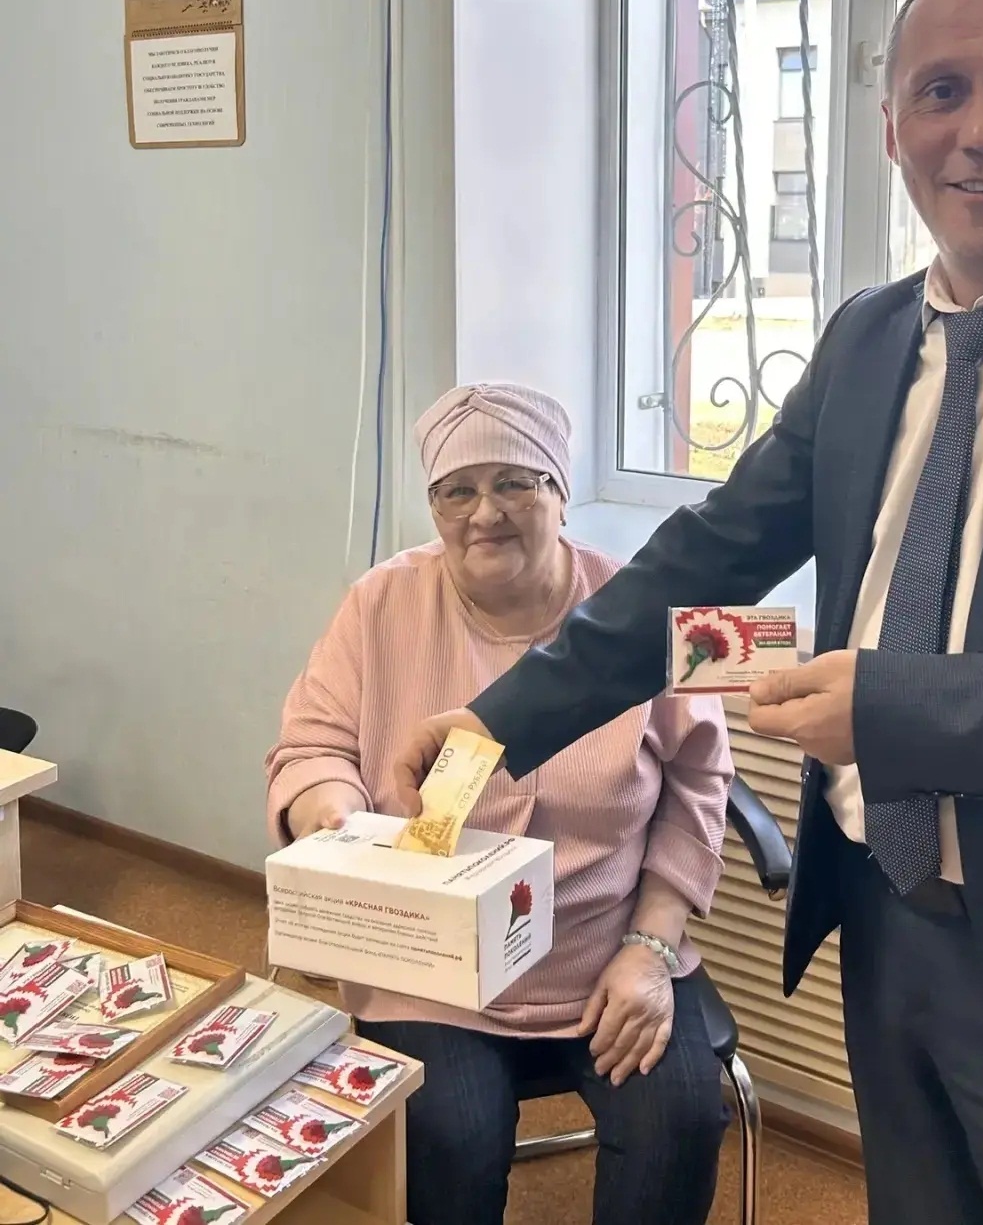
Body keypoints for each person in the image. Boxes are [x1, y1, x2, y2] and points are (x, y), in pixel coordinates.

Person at [392, 0, 983, 1225]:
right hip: (889, 924)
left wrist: (898, 709)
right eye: (941, 92)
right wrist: (493, 725)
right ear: (890, 129)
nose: (981, 130)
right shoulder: (866, 339)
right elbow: (703, 560)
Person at [266, 382, 731, 1225]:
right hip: (427, 959)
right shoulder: (379, 604)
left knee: (682, 1119)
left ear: (561, 491)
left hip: (605, 947)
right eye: (457, 490)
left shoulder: (637, 611)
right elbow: (312, 745)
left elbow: (699, 781)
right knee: (451, 1135)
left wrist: (650, 945)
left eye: (515, 481)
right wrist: (334, 833)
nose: (486, 512)